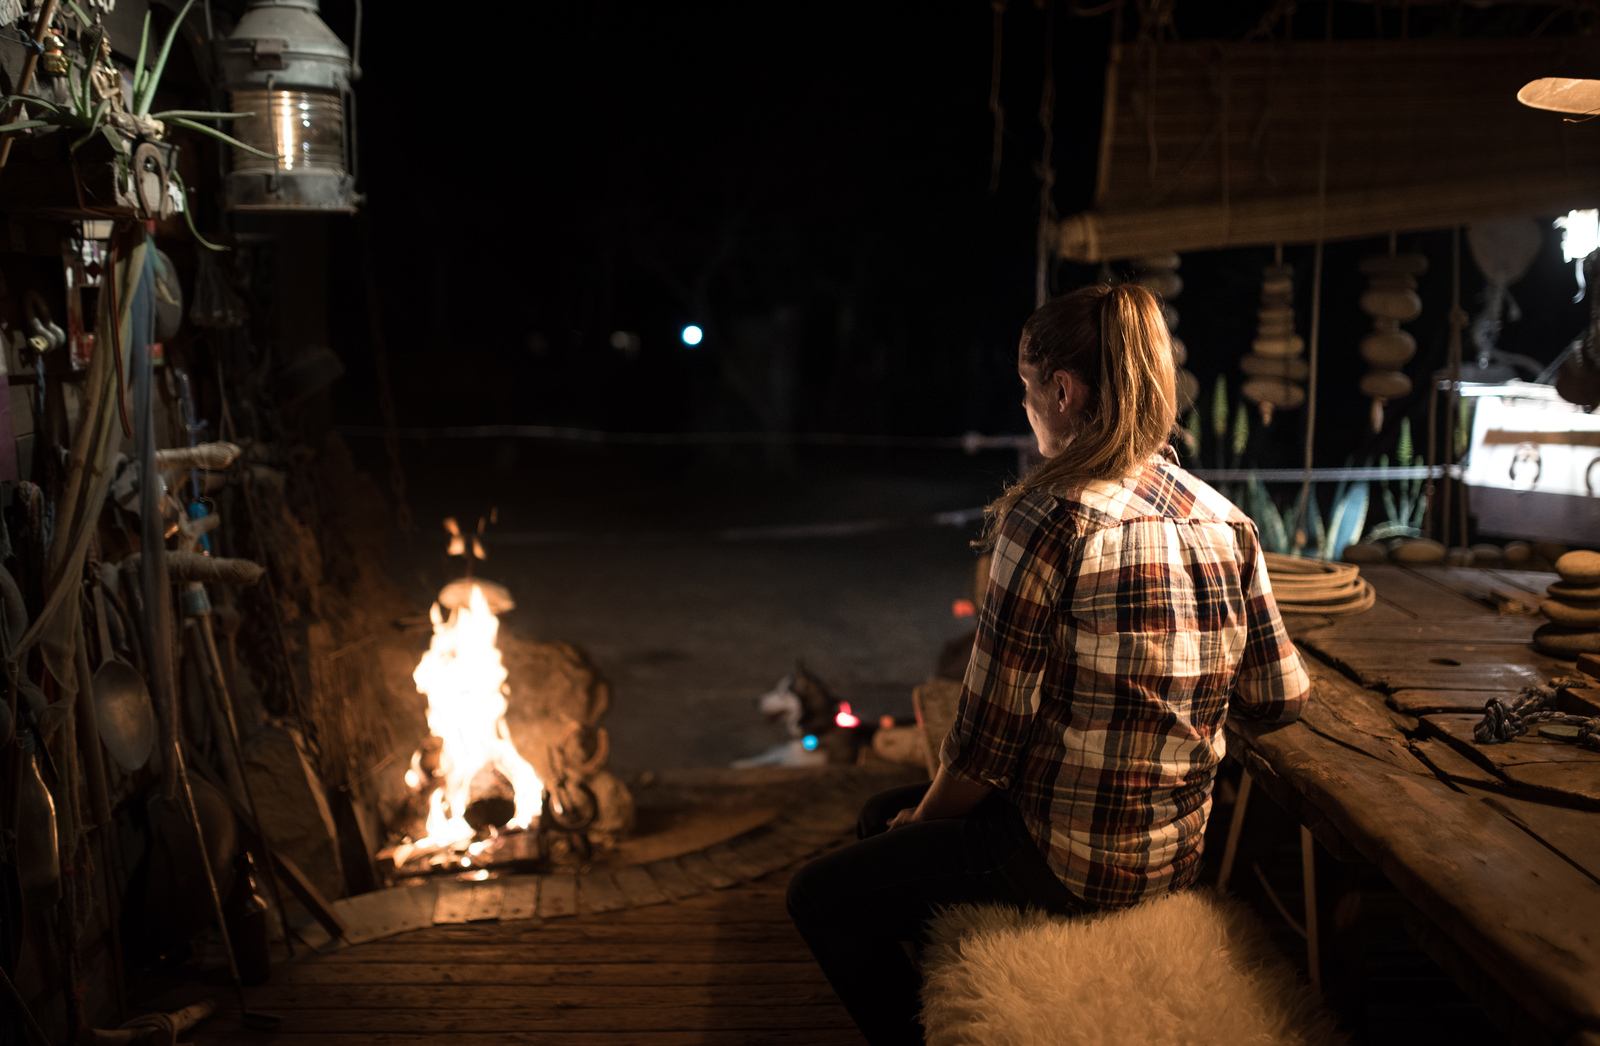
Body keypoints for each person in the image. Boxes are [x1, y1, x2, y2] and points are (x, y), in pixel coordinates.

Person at [786, 283, 1311, 1045]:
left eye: (1028, 392)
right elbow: (1279, 699)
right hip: (1174, 853)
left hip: (1072, 864)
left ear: (1063, 392)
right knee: (878, 820)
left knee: (819, 896)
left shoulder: (1050, 518)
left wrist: (921, 822)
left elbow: (985, 744)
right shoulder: (1225, 521)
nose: (1028, 411)